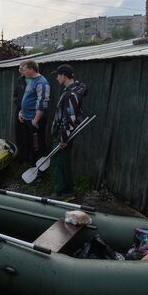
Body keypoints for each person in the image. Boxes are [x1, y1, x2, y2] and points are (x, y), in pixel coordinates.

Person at [51, 64, 88, 200]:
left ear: (64, 76)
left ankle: (63, 192)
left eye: (58, 75)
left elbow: (70, 117)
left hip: (64, 134)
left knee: (61, 163)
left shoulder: (72, 94)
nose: (56, 78)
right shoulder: (69, 90)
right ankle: (66, 190)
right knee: (62, 162)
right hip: (62, 133)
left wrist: (63, 138)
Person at [18, 60, 50, 164]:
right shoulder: (31, 80)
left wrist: (35, 122)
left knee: (39, 147)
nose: (23, 71)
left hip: (36, 121)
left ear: (32, 69)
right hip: (27, 119)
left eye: (25, 69)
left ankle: (41, 172)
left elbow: (43, 104)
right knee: (30, 144)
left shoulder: (42, 83)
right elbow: (27, 98)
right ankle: (33, 166)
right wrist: (21, 112)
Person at [12, 63, 31, 163]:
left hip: (29, 111)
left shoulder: (32, 80)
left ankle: (29, 158)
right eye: (19, 68)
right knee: (18, 132)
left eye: (21, 68)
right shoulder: (19, 80)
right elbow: (15, 94)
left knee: (27, 134)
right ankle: (21, 156)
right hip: (19, 109)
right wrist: (17, 103)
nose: (19, 70)